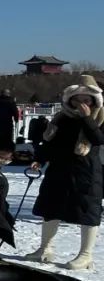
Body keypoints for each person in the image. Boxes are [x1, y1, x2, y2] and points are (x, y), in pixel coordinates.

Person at [25, 75, 104, 270]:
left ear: (94, 101)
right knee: (51, 207)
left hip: (86, 171)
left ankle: (85, 255)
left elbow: (98, 139)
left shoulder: (99, 117)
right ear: (70, 99)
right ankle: (45, 249)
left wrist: (87, 118)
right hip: (59, 169)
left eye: (87, 100)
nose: (82, 104)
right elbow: (50, 142)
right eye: (78, 99)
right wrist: (40, 159)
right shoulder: (62, 117)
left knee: (87, 211)